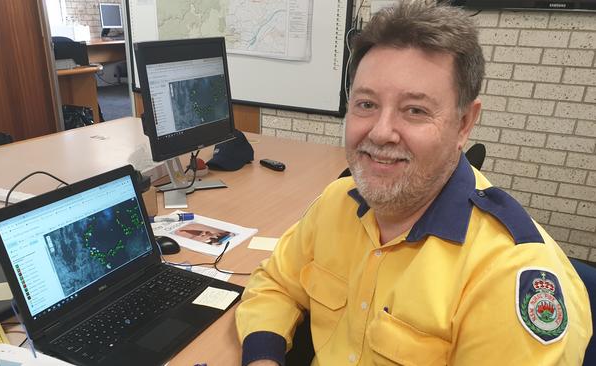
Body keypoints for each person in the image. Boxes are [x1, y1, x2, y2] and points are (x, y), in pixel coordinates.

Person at [235, 1, 592, 365]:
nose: (381, 131)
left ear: (465, 123)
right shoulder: (337, 201)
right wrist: (264, 356)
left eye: (415, 110)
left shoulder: (504, 271)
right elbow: (276, 284)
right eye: (366, 104)